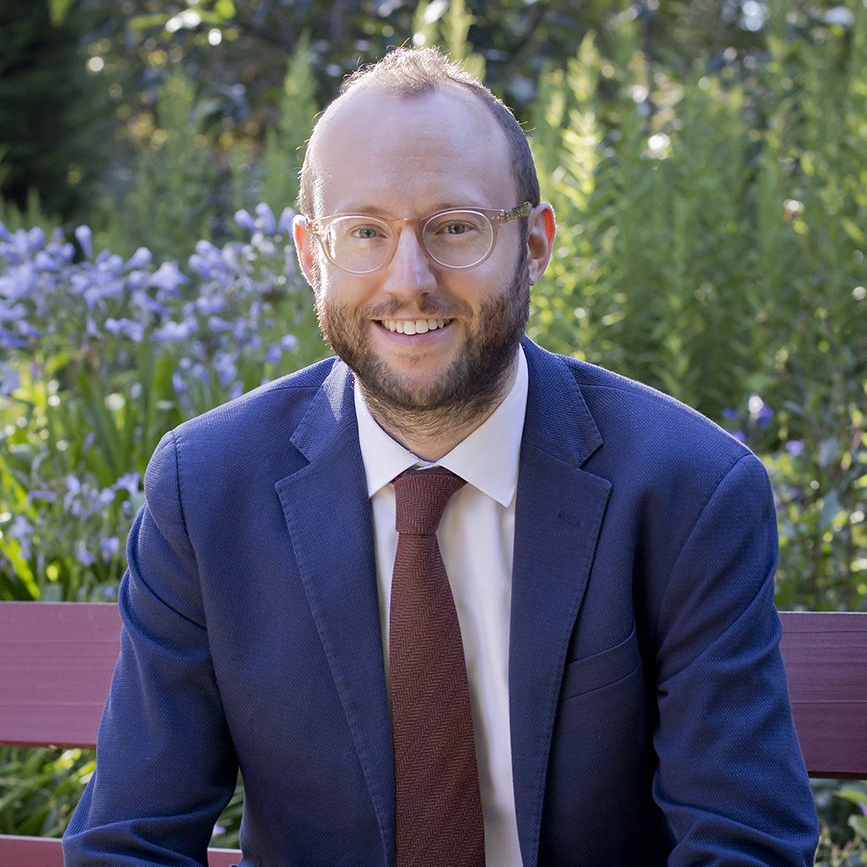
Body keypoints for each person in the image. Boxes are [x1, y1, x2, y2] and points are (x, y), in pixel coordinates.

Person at [63, 47, 819, 866]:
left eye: (455, 227)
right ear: (310, 255)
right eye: (364, 233)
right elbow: (128, 839)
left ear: (534, 243)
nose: (409, 279)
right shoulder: (207, 490)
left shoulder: (686, 490)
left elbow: (744, 843)